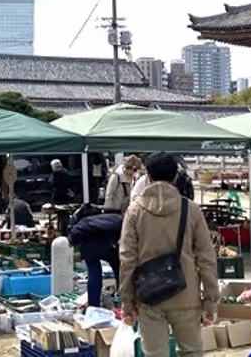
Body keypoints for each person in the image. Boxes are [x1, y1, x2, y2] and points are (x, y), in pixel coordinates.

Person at [120, 152, 220, 357]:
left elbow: (127, 259)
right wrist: (210, 301)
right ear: (175, 177)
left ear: (147, 176)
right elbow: (206, 258)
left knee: (155, 354)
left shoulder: (135, 210)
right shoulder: (190, 209)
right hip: (186, 293)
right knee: (191, 351)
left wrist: (128, 302)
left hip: (149, 296)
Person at [70, 208, 123, 309]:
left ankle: (94, 306)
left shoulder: (81, 224)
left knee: (94, 271)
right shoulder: (115, 217)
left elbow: (72, 240)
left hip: (91, 246)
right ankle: (123, 301)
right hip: (113, 243)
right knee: (120, 272)